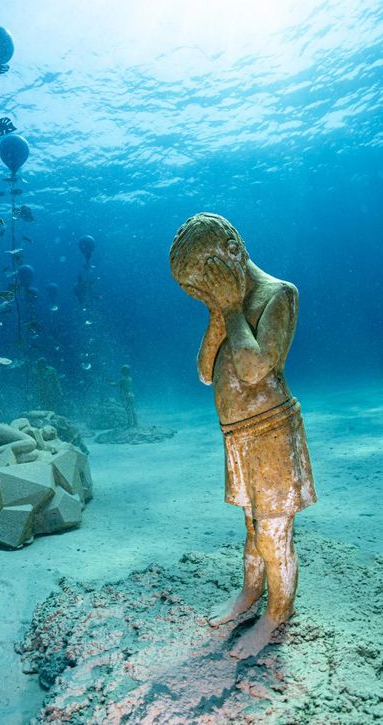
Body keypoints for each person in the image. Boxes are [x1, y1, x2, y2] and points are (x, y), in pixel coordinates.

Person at [170, 212, 317, 660]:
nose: (204, 296)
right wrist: (220, 311)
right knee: (252, 531)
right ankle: (250, 594)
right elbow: (203, 371)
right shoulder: (224, 309)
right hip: (239, 439)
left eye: (205, 284)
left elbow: (255, 370)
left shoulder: (278, 295)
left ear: (232, 255)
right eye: (198, 293)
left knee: (273, 534)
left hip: (273, 435)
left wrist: (232, 308)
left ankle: (278, 611)